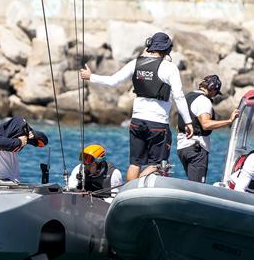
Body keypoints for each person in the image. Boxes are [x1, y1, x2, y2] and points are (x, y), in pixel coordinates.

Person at [80, 32, 194, 181]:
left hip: (137, 121)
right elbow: (179, 96)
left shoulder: (135, 63)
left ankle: (128, 192)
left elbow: (113, 81)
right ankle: (137, 188)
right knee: (157, 165)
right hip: (157, 124)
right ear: (167, 50)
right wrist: (188, 121)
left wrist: (91, 76)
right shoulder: (170, 68)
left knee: (135, 163)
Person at [176, 75, 240, 183]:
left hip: (182, 147)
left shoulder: (188, 97)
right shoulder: (204, 101)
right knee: (197, 186)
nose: (214, 95)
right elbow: (206, 124)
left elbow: (179, 125)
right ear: (212, 89)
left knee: (192, 183)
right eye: (215, 92)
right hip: (196, 148)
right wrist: (229, 121)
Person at [0, 117, 48, 183]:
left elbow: (43, 142)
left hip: (13, 180)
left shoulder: (20, 135)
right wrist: (19, 142)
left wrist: (34, 134)